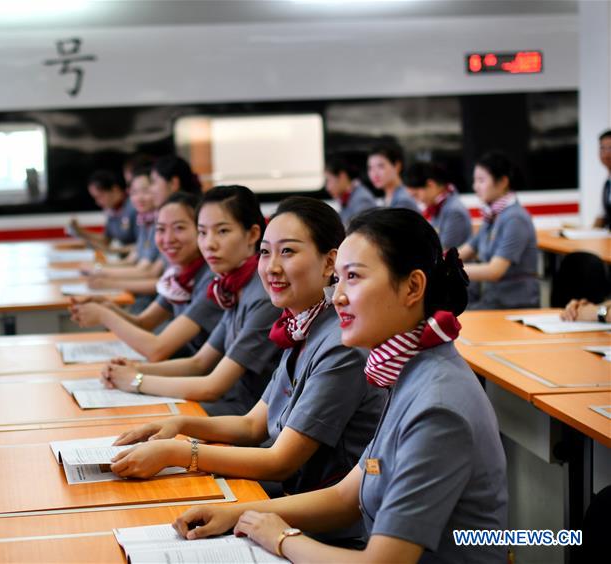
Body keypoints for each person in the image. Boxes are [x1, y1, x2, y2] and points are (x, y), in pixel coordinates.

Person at [173, 208, 508, 564]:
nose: (337, 296)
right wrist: (238, 514)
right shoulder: (406, 370)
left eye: (355, 278)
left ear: (412, 287)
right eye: (340, 280)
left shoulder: (437, 406)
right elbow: (348, 496)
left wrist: (281, 537)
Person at [110, 198, 384, 544]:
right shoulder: (302, 324)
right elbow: (253, 423)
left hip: (324, 523)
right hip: (292, 499)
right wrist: (179, 426)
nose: (271, 267)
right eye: (266, 253)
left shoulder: (339, 344)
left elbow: (280, 461)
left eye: (288, 252)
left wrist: (179, 452)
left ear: (331, 261)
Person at [100, 185, 281, 416]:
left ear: (253, 234)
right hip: (236, 405)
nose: (209, 244)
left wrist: (136, 380)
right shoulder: (231, 283)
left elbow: (212, 387)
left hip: (247, 415)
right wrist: (131, 369)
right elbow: (199, 362)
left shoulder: (262, 295)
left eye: (222, 231)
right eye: (203, 233)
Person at [70, 192, 223, 359]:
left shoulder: (211, 280)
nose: (168, 239)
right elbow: (144, 323)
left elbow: (157, 349)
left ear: (201, 231)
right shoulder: (177, 274)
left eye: (179, 228)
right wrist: (108, 306)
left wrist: (103, 315)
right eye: (160, 229)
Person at [459, 152, 540, 309]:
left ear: (503, 182)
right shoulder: (492, 215)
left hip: (513, 304)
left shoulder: (515, 218)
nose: (475, 187)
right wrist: (436, 262)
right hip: (493, 299)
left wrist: (446, 270)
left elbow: (494, 271)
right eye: (475, 181)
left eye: (481, 180)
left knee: (450, 319)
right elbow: (466, 250)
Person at [84, 167, 165, 311]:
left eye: (145, 191)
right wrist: (99, 270)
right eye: (134, 192)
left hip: (155, 300)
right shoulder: (146, 220)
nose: (139, 198)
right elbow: (131, 260)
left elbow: (149, 272)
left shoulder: (160, 222)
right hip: (147, 295)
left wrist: (106, 277)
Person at [404, 161, 472, 250]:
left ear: (431, 185)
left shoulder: (454, 211)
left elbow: (444, 251)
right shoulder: (438, 206)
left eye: (416, 195)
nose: (417, 200)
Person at [69, 169, 137, 252]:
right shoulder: (112, 211)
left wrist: (113, 250)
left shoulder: (134, 206)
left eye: (100, 196)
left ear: (114, 189)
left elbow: (141, 246)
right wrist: (80, 232)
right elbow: (106, 240)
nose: (97, 202)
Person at [324, 153, 377, 227]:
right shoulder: (347, 197)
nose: (327, 187)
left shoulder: (362, 200)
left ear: (342, 176)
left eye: (329, 180)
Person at [367, 144, 418, 212]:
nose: (375, 174)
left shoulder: (403, 201)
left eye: (380, 166)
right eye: (370, 168)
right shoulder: (388, 198)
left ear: (397, 166)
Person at [595, 129, 611, 228]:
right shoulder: (607, 184)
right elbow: (600, 217)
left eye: (610, 148)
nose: (606, 153)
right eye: (602, 148)